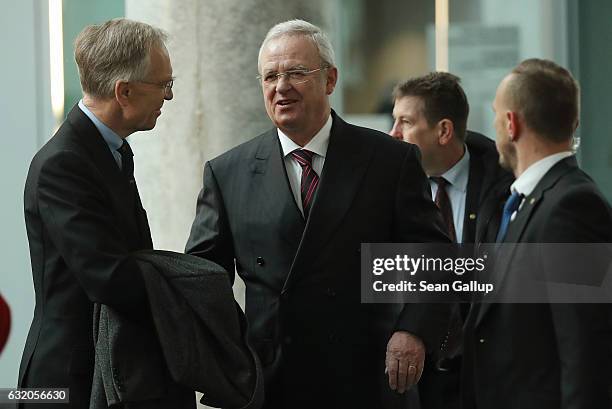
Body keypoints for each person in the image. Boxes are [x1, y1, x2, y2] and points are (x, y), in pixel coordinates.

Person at [186, 19, 450, 409]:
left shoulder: (388, 160)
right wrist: (229, 355)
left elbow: (436, 256)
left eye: (296, 72)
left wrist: (414, 331)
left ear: (330, 79)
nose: (281, 86)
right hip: (271, 383)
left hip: (369, 376)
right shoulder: (227, 172)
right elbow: (203, 277)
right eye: (270, 76)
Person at [19, 18, 174, 409]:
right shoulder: (63, 163)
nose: (168, 97)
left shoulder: (108, 149)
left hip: (110, 370)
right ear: (124, 92)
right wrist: (193, 291)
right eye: (163, 84)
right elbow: (110, 277)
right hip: (63, 383)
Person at [462, 58, 612, 408]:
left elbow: (586, 349)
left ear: (512, 123)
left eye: (497, 114)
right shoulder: (523, 201)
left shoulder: (573, 206)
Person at [389, 72, 512, 409]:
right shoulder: (386, 187)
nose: (393, 134)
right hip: (414, 373)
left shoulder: (506, 187)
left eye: (405, 122)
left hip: (488, 372)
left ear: (443, 131)